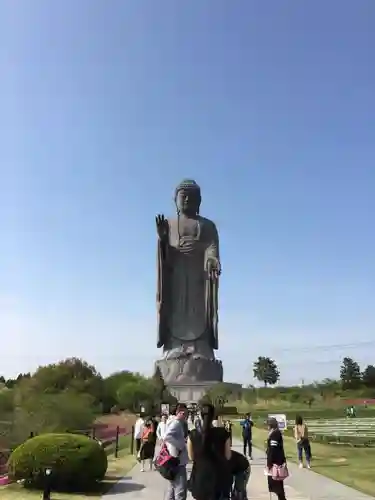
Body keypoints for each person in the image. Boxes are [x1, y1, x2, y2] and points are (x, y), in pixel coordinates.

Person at [187, 403, 232, 500]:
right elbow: (228, 456)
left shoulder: (193, 434)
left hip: (200, 478)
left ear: (200, 416)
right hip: (218, 478)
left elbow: (191, 457)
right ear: (214, 416)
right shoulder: (223, 433)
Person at [163, 403, 189, 500]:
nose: (186, 416)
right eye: (185, 414)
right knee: (180, 492)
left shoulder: (174, 422)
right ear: (180, 412)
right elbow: (167, 436)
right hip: (178, 461)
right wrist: (180, 445)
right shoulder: (176, 423)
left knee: (172, 490)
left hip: (173, 460)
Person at [266, 418, 288, 500]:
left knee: (277, 486)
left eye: (268, 425)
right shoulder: (274, 433)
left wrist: (269, 462)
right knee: (277, 487)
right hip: (276, 463)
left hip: (276, 464)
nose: (267, 426)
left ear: (271, 425)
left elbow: (273, 449)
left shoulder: (275, 434)